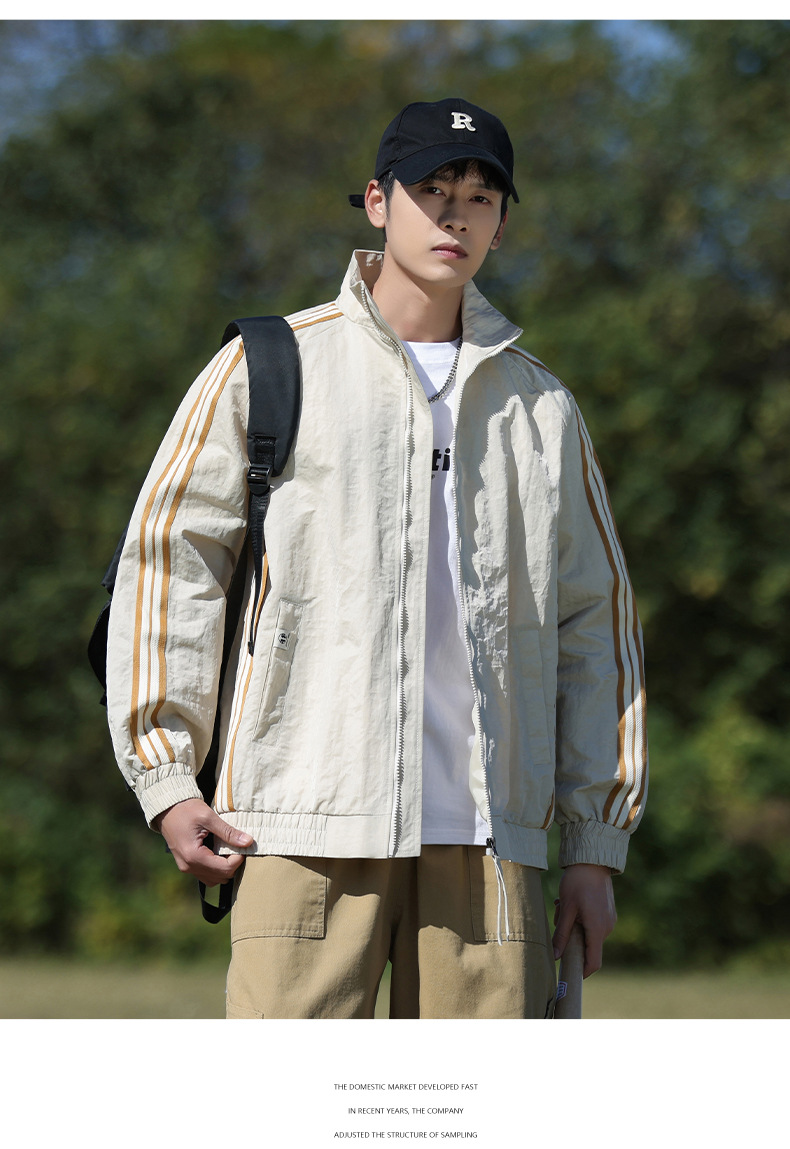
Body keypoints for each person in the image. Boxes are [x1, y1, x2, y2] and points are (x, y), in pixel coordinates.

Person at [106, 97, 647, 1019]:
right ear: (376, 201)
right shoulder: (271, 365)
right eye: (431, 189)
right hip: (302, 812)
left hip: (492, 840)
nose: (454, 215)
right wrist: (166, 773)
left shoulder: (542, 407)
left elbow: (595, 625)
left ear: (502, 226)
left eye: (480, 197)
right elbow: (171, 567)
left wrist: (594, 845)